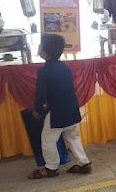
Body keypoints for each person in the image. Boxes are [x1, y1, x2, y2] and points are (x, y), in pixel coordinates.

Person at [28, 34, 92, 179]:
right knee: (73, 137)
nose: (38, 48)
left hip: (56, 113)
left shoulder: (44, 71)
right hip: (72, 110)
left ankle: (51, 167)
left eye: (40, 46)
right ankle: (84, 163)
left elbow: (41, 94)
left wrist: (37, 110)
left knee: (47, 140)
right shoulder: (65, 68)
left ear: (45, 53)